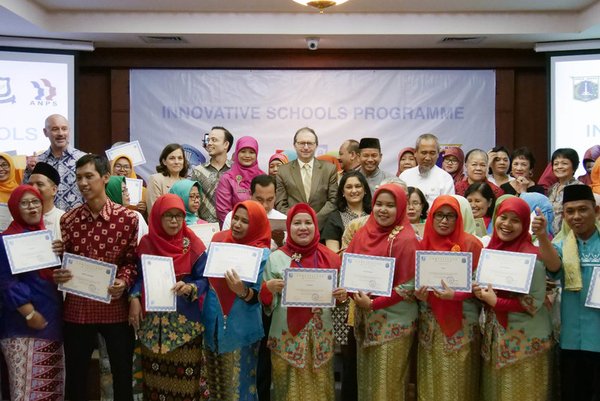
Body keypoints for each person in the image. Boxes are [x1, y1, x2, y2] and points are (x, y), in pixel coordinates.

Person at [53, 154, 139, 401]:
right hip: (78, 310)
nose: (83, 183)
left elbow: (132, 261)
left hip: (115, 308)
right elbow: (64, 264)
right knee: (76, 378)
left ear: (105, 178)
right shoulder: (68, 220)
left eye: (89, 176)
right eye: (79, 177)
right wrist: (58, 272)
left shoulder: (128, 219)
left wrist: (123, 281)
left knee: (123, 375)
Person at [260, 203, 347, 401]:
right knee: (287, 391)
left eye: (308, 222)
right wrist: (269, 288)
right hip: (286, 339)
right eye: (297, 223)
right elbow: (265, 303)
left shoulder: (331, 258)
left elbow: (341, 303)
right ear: (288, 227)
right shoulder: (276, 259)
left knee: (320, 390)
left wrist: (342, 297)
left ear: (316, 226)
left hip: (320, 338)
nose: (303, 227)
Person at [128, 194, 209, 400]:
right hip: (153, 328)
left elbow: (205, 279)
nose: (174, 221)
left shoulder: (192, 244)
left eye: (179, 216)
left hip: (186, 328)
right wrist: (134, 297)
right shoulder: (147, 243)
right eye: (168, 216)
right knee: (155, 385)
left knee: (185, 387)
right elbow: (137, 277)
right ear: (157, 217)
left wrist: (190, 287)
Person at [474, 196, 553, 401]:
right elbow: (488, 292)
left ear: (525, 224)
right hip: (496, 338)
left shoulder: (532, 258)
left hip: (525, 342)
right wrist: (478, 292)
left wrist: (495, 302)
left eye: (515, 220)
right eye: (503, 217)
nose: (507, 224)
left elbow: (533, 303)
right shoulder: (490, 252)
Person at [346, 184, 419, 401]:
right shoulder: (362, 234)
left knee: (387, 386)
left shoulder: (406, 238)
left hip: (394, 324)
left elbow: (408, 286)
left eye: (390, 205)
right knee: (368, 383)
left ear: (401, 208)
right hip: (366, 320)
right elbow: (348, 269)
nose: (382, 210)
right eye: (379, 204)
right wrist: (352, 294)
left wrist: (374, 304)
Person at [414, 195, 483, 401]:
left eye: (450, 216)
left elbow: (482, 287)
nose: (444, 221)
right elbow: (413, 284)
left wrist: (457, 295)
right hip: (430, 324)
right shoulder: (422, 245)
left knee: (461, 380)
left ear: (458, 218)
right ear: (431, 217)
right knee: (431, 377)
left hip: (462, 323)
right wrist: (418, 296)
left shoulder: (472, 244)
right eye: (439, 215)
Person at [535, 184, 600, 401]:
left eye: (583, 209)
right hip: (572, 340)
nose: (576, 216)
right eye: (569, 212)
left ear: (596, 211)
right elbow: (554, 268)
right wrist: (543, 236)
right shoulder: (562, 245)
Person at [0, 185, 64, 401]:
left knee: (50, 392)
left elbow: (49, 279)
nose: (32, 207)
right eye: (25, 203)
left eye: (35, 201)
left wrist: (60, 258)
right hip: (22, 328)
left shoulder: (46, 238)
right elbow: (6, 283)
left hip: (52, 326)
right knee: (25, 392)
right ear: (15, 208)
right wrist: (28, 313)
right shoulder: (6, 240)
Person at [202, 200, 271, 401]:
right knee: (215, 388)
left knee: (239, 390)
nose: (237, 224)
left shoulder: (262, 253)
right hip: (212, 325)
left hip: (241, 331)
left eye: (245, 221)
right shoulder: (218, 240)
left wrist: (242, 291)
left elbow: (261, 298)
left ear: (256, 224)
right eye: (236, 218)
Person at [275, 127, 338, 229]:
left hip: (322, 228)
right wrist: (298, 222)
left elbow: (333, 201)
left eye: (310, 143)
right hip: (294, 228)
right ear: (295, 145)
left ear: (316, 145)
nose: (305, 147)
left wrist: (313, 222)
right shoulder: (283, 171)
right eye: (301, 143)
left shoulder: (329, 169)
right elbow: (281, 204)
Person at [24, 114, 86, 211]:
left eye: (64, 129)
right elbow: (26, 194)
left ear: (69, 131)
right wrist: (29, 171)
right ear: (45, 132)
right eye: (55, 129)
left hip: (77, 221)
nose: (60, 133)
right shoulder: (38, 162)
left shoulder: (84, 159)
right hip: (46, 221)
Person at [222, 175, 286, 246]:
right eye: (259, 199)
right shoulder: (234, 216)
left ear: (275, 196)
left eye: (269, 200)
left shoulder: (283, 220)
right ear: (250, 194)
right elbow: (225, 246)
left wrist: (279, 242)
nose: (264, 205)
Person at [216, 136, 265, 225]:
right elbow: (223, 211)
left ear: (256, 154)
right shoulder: (227, 178)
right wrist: (239, 227)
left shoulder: (263, 177)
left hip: (259, 228)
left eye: (251, 152)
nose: (247, 156)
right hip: (235, 229)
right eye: (243, 151)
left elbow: (267, 206)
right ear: (237, 153)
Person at [191, 126, 234, 223]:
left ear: (226, 144)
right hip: (205, 228)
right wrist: (197, 224)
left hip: (232, 227)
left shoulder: (236, 170)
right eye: (208, 140)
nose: (209, 143)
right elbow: (192, 201)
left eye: (214, 140)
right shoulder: (198, 171)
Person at [322, 170, 372, 253]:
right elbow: (333, 253)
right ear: (342, 192)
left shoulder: (375, 214)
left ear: (365, 190)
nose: (354, 191)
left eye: (358, 186)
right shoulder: (334, 218)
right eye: (349, 187)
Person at [400, 133, 455, 205]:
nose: (428, 158)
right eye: (424, 153)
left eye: (432, 153)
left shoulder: (445, 178)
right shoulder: (405, 176)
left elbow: (448, 207)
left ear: (438, 154)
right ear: (415, 153)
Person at [548, 148, 584, 235]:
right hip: (551, 238)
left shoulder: (579, 187)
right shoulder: (552, 188)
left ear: (574, 166)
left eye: (564, 163)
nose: (559, 167)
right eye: (556, 164)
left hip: (570, 235)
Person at [27, 162, 64, 240]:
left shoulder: (64, 219)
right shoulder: (20, 217)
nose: (33, 188)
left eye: (40, 184)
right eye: (30, 185)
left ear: (54, 190)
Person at [105, 175, 149, 243]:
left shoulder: (135, 215)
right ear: (113, 192)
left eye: (126, 190)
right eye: (123, 191)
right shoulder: (133, 216)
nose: (128, 194)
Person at [147, 143, 189, 212]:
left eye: (180, 158)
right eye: (172, 158)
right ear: (164, 161)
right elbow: (154, 211)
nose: (176, 162)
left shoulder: (187, 183)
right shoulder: (155, 179)